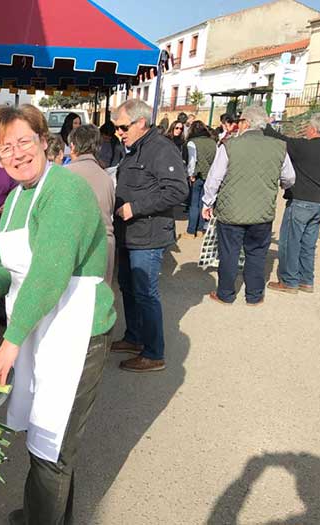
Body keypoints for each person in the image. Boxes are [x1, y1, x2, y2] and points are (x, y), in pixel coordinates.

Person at [0, 104, 115, 525]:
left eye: (23, 141)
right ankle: (46, 515)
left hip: (75, 329)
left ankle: (41, 517)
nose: (16, 154)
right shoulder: (17, 197)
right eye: (4, 149)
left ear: (43, 141)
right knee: (44, 435)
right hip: (42, 325)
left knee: (53, 441)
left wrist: (8, 343)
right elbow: (13, 261)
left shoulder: (65, 191)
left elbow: (50, 274)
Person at [111, 99, 189, 372]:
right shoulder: (134, 149)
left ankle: (154, 353)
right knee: (129, 288)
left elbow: (178, 190)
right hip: (129, 234)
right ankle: (134, 337)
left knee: (146, 293)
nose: (118, 132)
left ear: (140, 123)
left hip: (148, 235)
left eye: (122, 127)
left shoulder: (161, 149)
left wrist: (136, 207)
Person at [202, 105, 295, 305]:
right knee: (257, 254)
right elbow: (289, 178)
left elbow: (214, 179)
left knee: (229, 253)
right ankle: (254, 296)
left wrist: (207, 202)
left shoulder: (229, 145)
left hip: (231, 211)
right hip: (262, 211)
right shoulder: (279, 146)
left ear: (246, 122)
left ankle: (225, 294)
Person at [263, 114, 320, 294]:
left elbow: (280, 139)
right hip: (319, 203)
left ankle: (289, 281)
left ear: (313, 129)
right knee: (309, 243)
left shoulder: (304, 146)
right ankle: (306, 280)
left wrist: (267, 125)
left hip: (301, 201)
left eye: (307, 128)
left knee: (290, 241)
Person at [67, 124, 116, 283]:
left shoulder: (64, 174)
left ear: (73, 146)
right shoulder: (106, 177)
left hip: (75, 247)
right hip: (105, 247)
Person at [186, 120, 217, 236]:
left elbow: (192, 161)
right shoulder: (212, 142)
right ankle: (200, 229)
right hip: (210, 176)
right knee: (203, 203)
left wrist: (191, 175)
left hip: (198, 175)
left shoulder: (192, 142)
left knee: (194, 203)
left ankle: (191, 230)